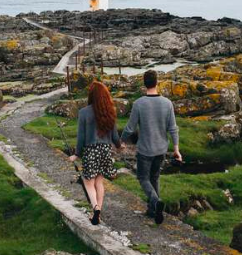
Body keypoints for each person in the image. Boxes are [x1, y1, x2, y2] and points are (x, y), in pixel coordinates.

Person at [121, 70, 182, 224]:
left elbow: (130, 128)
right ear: (157, 82)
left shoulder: (139, 104)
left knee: (142, 177)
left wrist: (120, 142)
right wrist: (176, 150)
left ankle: (155, 201)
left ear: (144, 83)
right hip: (161, 149)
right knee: (154, 177)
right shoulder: (167, 103)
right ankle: (153, 210)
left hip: (145, 150)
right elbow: (173, 128)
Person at [69, 81, 122, 225]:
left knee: (88, 181)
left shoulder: (84, 112)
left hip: (91, 150)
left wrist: (76, 154)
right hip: (105, 150)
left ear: (91, 95)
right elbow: (115, 136)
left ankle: (96, 208)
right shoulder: (109, 111)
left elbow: (81, 137)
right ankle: (97, 215)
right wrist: (119, 146)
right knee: (99, 181)